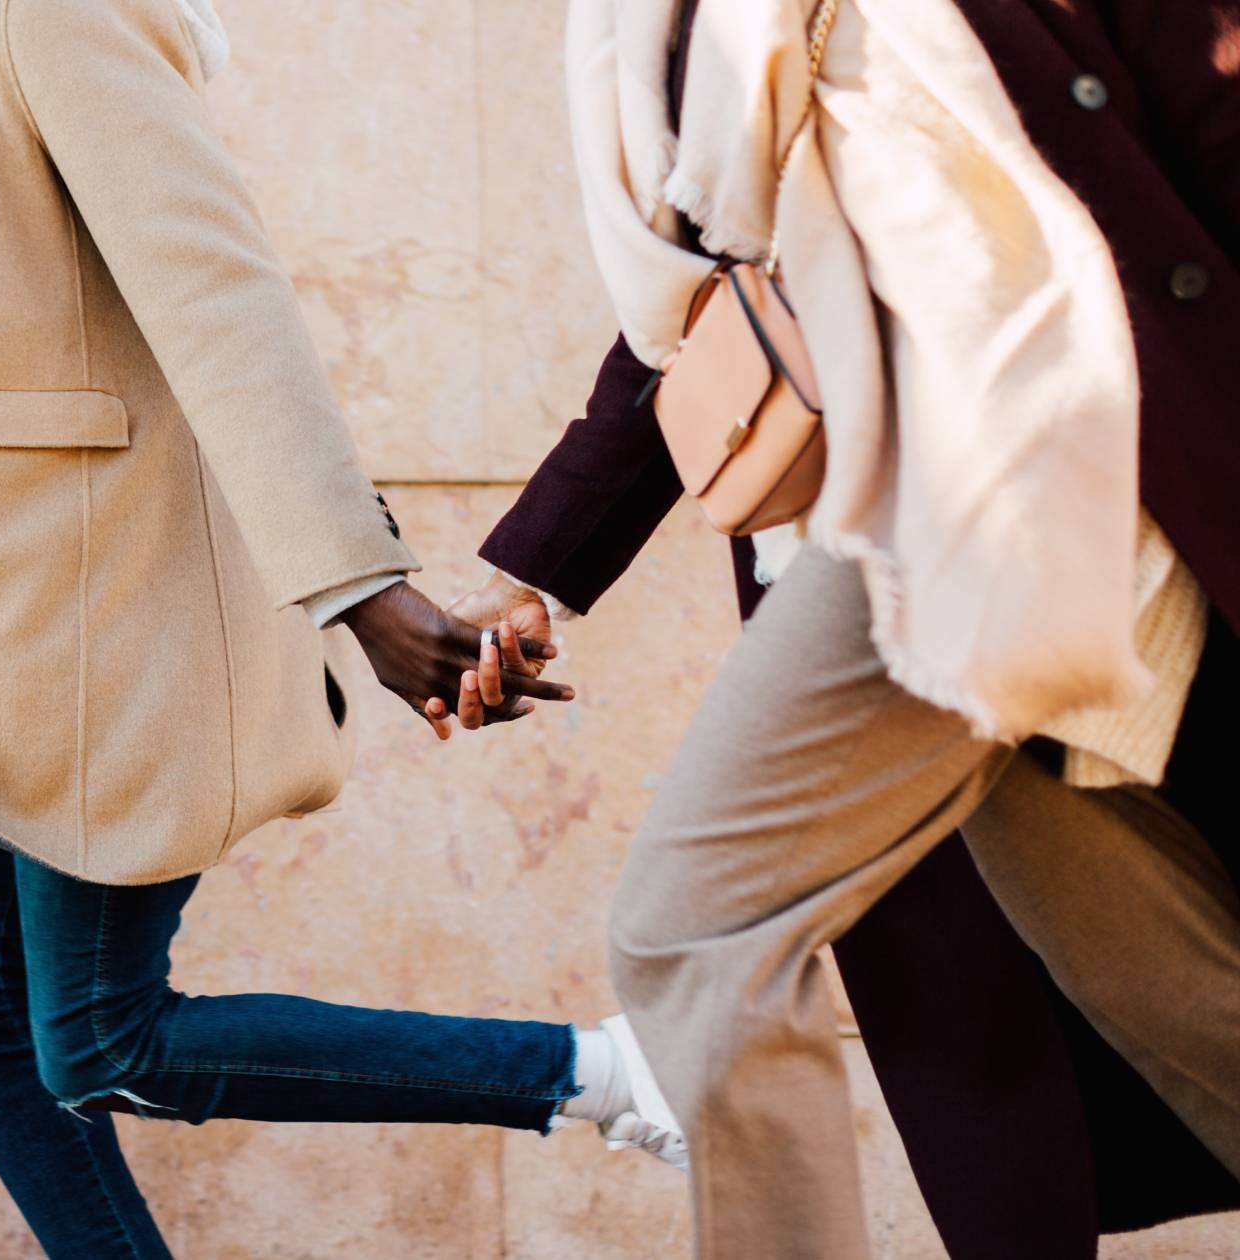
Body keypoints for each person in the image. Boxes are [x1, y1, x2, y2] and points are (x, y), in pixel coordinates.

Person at [0, 2, 680, 1256]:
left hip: (95, 619)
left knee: (103, 1040)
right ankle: (603, 1072)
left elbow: (217, 292)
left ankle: (603, 1072)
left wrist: (360, 588)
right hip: (7, 619)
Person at [444, 1, 1240, 1256]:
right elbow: (719, 272)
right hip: (924, 507)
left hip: (986, 486)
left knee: (693, 926)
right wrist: (539, 565)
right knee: (1151, 978)